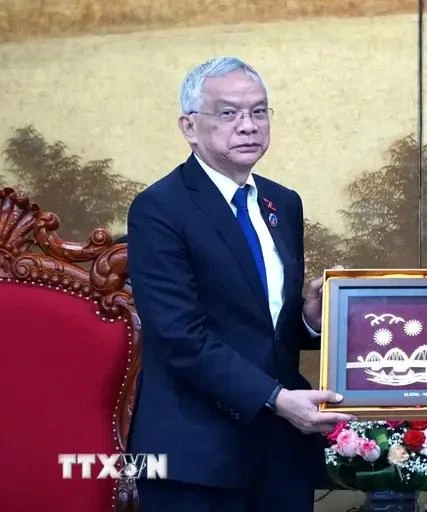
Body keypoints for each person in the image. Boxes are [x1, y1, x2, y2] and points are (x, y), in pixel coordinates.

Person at [126, 56, 354, 511]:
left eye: (259, 111)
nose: (248, 126)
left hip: (279, 452)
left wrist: (308, 322)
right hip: (196, 455)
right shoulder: (159, 208)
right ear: (190, 127)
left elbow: (264, 325)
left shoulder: (282, 203)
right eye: (228, 113)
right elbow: (180, 337)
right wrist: (275, 398)